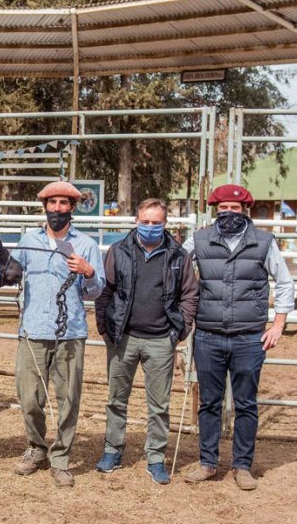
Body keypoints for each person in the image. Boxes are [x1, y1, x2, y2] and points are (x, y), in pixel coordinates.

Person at [182, 184, 294, 491]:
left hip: (249, 338)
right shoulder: (199, 240)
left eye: (234, 209)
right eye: (222, 209)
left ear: (245, 210)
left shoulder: (263, 242)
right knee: (209, 403)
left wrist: (278, 324)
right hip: (208, 335)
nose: (228, 214)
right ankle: (207, 462)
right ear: (214, 211)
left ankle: (242, 466)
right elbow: (175, 270)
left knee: (245, 403)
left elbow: (284, 283)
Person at [94, 198, 199, 485]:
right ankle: (112, 450)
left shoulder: (178, 255)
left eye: (156, 223)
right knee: (116, 399)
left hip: (160, 341)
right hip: (123, 338)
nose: (150, 227)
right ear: (136, 220)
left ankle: (155, 457)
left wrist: (180, 329)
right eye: (145, 222)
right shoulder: (119, 251)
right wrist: (104, 326)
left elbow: (190, 294)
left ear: (165, 224)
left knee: (159, 404)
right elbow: (105, 290)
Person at [10, 181, 105, 487]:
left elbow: (96, 290)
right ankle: (36, 448)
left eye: (64, 203)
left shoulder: (87, 245)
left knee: (68, 398)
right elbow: (12, 274)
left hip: (70, 331)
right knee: (29, 396)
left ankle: (61, 456)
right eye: (52, 203)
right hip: (33, 330)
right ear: (45, 206)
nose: (57, 209)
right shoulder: (28, 241)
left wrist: (88, 272)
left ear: (72, 208)